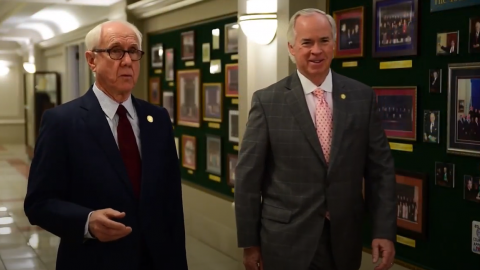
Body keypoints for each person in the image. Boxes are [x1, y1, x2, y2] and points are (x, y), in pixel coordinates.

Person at [235, 8, 396, 270]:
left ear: (334, 43)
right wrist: (249, 243)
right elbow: (248, 180)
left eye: (323, 41)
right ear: (291, 47)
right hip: (285, 242)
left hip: (344, 240)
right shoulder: (267, 101)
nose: (316, 50)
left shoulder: (361, 97)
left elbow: (381, 171)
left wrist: (385, 231)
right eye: (307, 42)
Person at [24, 20, 187, 270]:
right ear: (91, 60)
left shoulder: (158, 118)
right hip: (94, 260)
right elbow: (39, 203)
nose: (127, 61)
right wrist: (87, 222)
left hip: (156, 259)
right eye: (115, 51)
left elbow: (172, 203)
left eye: (133, 51)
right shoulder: (62, 122)